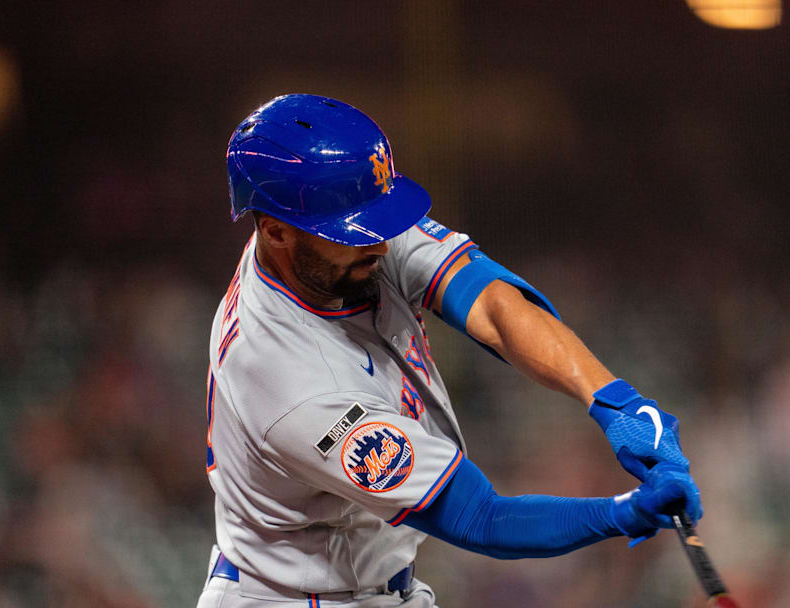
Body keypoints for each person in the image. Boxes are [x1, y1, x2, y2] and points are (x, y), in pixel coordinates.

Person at [197, 94, 703, 608]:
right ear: (274, 231)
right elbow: (481, 518)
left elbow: (495, 310)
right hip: (290, 598)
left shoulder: (335, 236)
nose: (382, 245)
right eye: (355, 231)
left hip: (373, 586)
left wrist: (614, 401)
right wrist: (623, 512)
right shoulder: (288, 379)